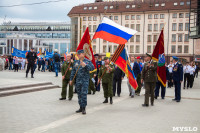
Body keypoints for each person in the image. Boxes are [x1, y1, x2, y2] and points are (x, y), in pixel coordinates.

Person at [69, 49, 94, 115]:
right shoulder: (76, 62)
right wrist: (71, 80)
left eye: (79, 54)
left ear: (83, 54)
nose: (78, 55)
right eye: (78, 54)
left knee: (83, 94)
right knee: (79, 94)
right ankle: (80, 107)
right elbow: (73, 72)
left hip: (85, 81)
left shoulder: (87, 61)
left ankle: (84, 108)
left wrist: (85, 65)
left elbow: (92, 68)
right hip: (78, 81)